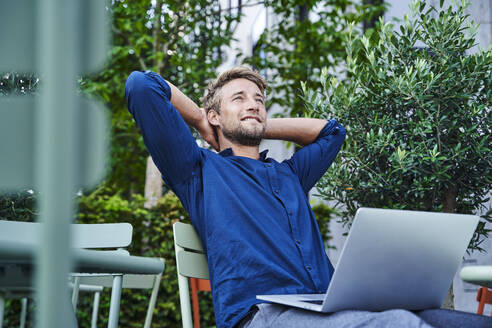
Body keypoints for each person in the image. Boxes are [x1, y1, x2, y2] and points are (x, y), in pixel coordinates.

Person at [125, 67, 491, 328]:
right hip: (261, 315)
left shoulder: (289, 174)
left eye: (259, 100)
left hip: (325, 307)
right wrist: (202, 122)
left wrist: (260, 126)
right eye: (238, 99)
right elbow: (142, 86)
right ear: (216, 116)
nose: (253, 104)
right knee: (398, 324)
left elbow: (333, 132)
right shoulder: (198, 170)